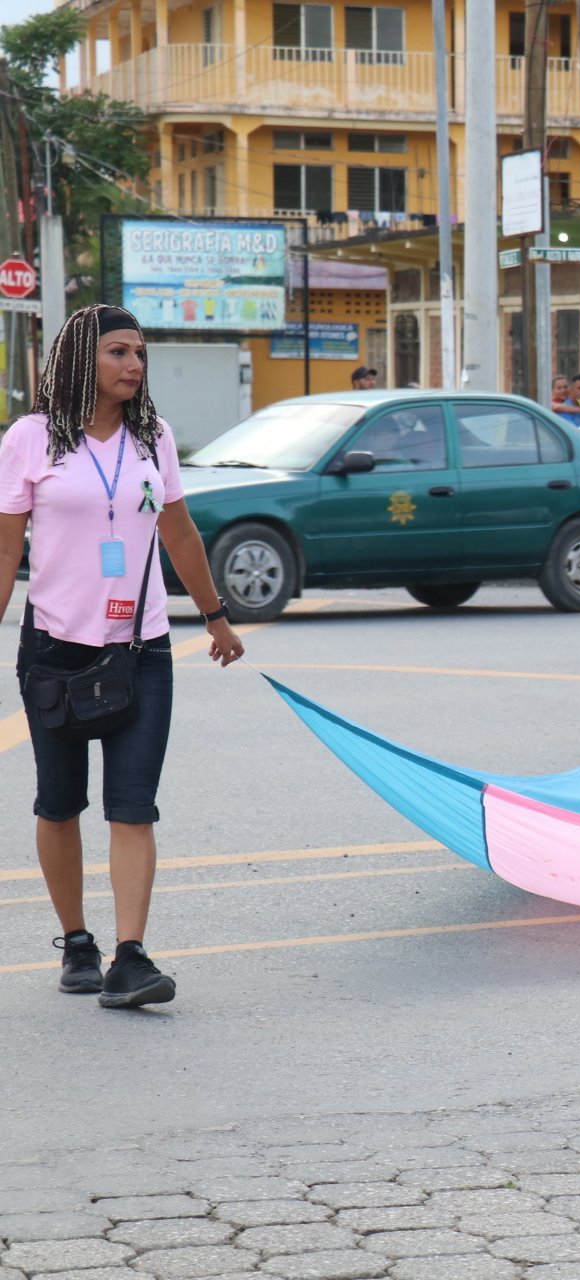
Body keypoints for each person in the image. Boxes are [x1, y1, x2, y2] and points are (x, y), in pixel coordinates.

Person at [0, 305, 247, 1009]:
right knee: (59, 804)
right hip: (56, 649)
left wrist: (216, 618)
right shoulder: (31, 439)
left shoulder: (152, 437)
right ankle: (77, 941)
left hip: (142, 648)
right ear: (82, 358)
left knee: (133, 806)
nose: (134, 364)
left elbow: (180, 533)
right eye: (118, 351)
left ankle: (130, 958)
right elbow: (5, 549)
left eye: (139, 352)